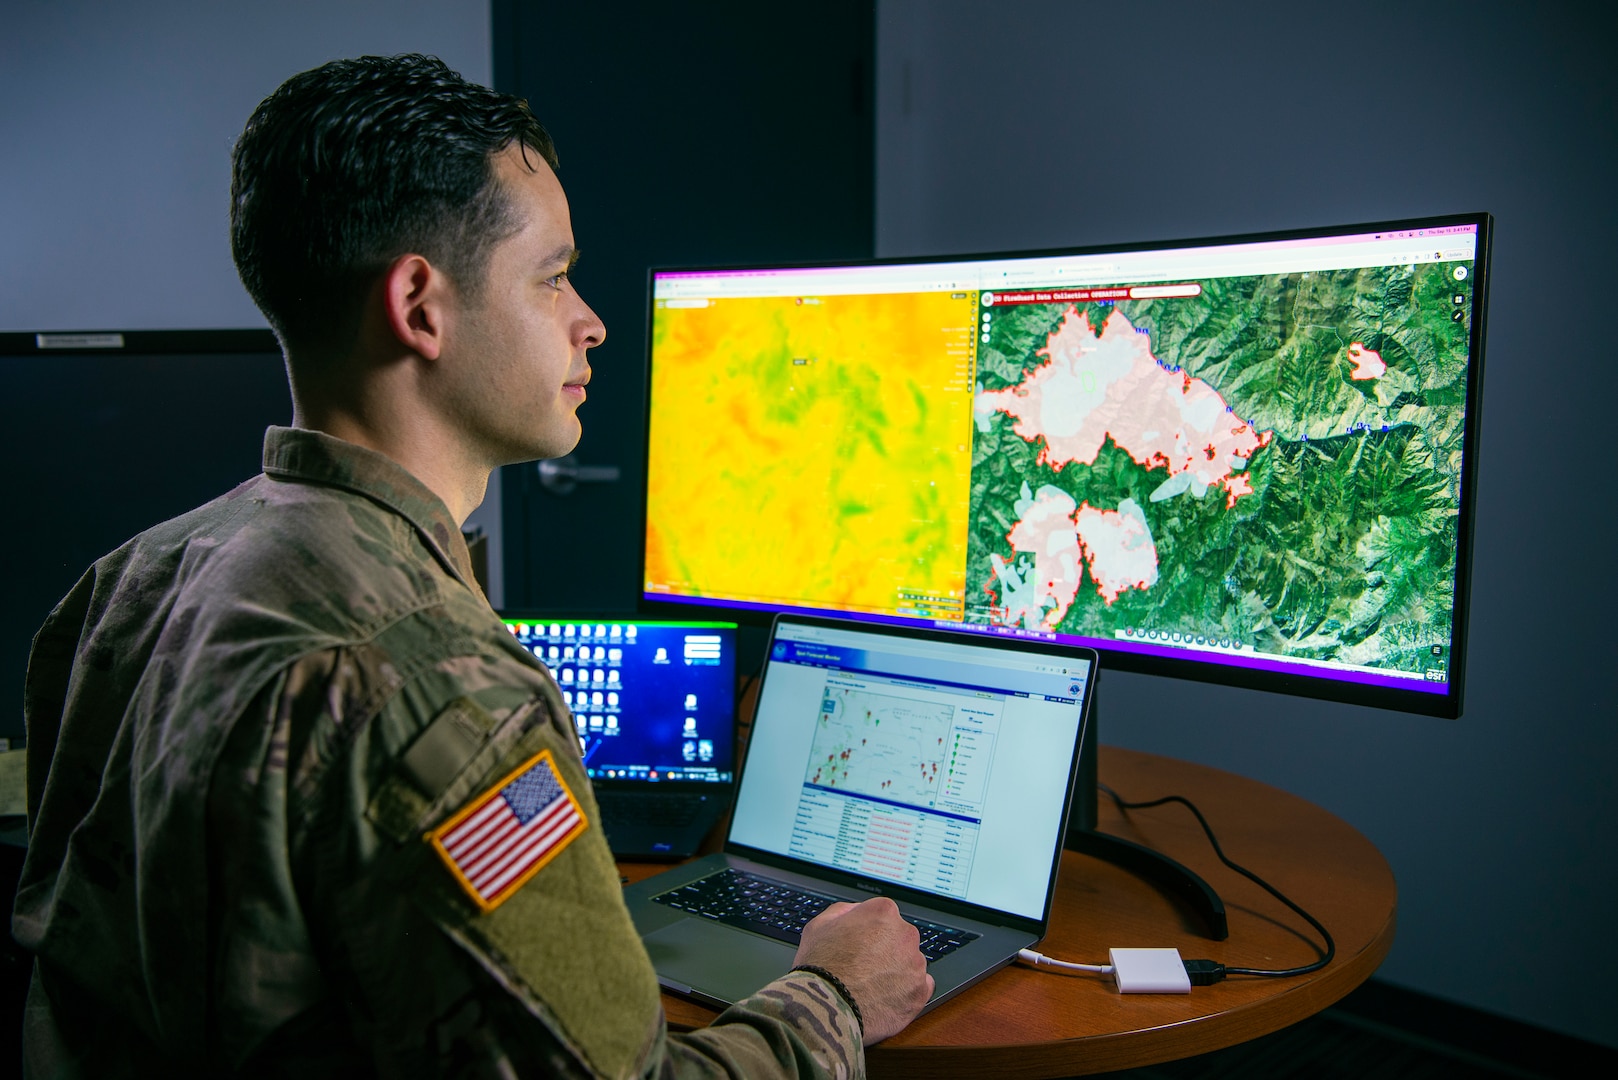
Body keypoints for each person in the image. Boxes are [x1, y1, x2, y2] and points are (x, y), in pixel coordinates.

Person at [13, 54, 932, 1077]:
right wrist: (832, 993)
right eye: (551, 277)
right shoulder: (442, 692)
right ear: (419, 305)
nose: (590, 320)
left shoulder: (132, 582)